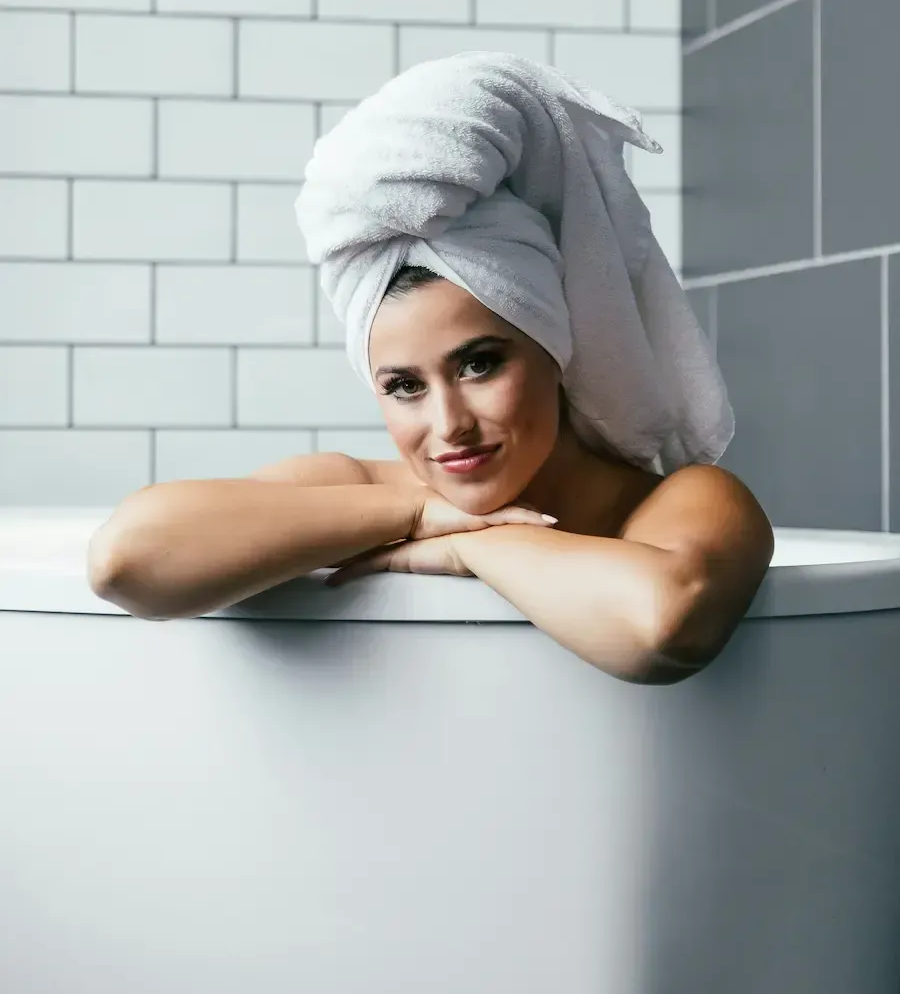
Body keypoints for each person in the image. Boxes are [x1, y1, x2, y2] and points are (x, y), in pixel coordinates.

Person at [87, 53, 774, 685]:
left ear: (553, 345)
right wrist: (417, 509)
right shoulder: (367, 490)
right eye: (404, 386)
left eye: (479, 364)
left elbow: (663, 624)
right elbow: (128, 558)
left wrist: (471, 543)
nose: (449, 425)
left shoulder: (681, 501)